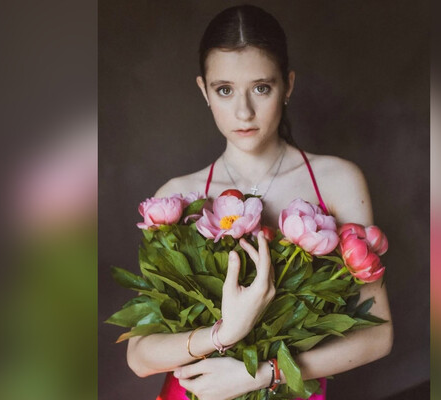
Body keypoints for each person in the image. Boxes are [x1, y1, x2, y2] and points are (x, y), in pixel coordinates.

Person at [127, 5, 393, 400]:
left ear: (288, 85)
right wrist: (222, 334)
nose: (243, 111)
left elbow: (378, 334)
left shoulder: (337, 181)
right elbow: (139, 357)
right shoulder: (176, 198)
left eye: (261, 88)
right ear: (204, 91)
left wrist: (264, 374)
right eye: (225, 89)